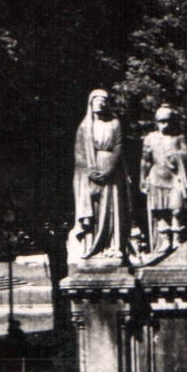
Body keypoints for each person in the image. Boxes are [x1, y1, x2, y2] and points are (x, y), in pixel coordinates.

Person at [73, 89, 130, 260]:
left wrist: (109, 170)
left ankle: (114, 245)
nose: (100, 102)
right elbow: (79, 153)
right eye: (96, 99)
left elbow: (119, 147)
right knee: (93, 208)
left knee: (113, 208)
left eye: (104, 99)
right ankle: (92, 246)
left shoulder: (114, 124)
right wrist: (90, 171)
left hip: (110, 169)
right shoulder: (85, 126)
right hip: (90, 170)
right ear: (91, 103)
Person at [141, 105, 187, 253]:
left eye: (168, 121)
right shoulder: (150, 139)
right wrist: (142, 179)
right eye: (162, 121)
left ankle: (177, 237)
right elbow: (145, 160)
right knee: (160, 210)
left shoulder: (178, 137)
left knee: (176, 209)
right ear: (156, 122)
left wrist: (177, 156)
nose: (166, 124)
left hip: (174, 177)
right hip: (156, 177)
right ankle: (165, 240)